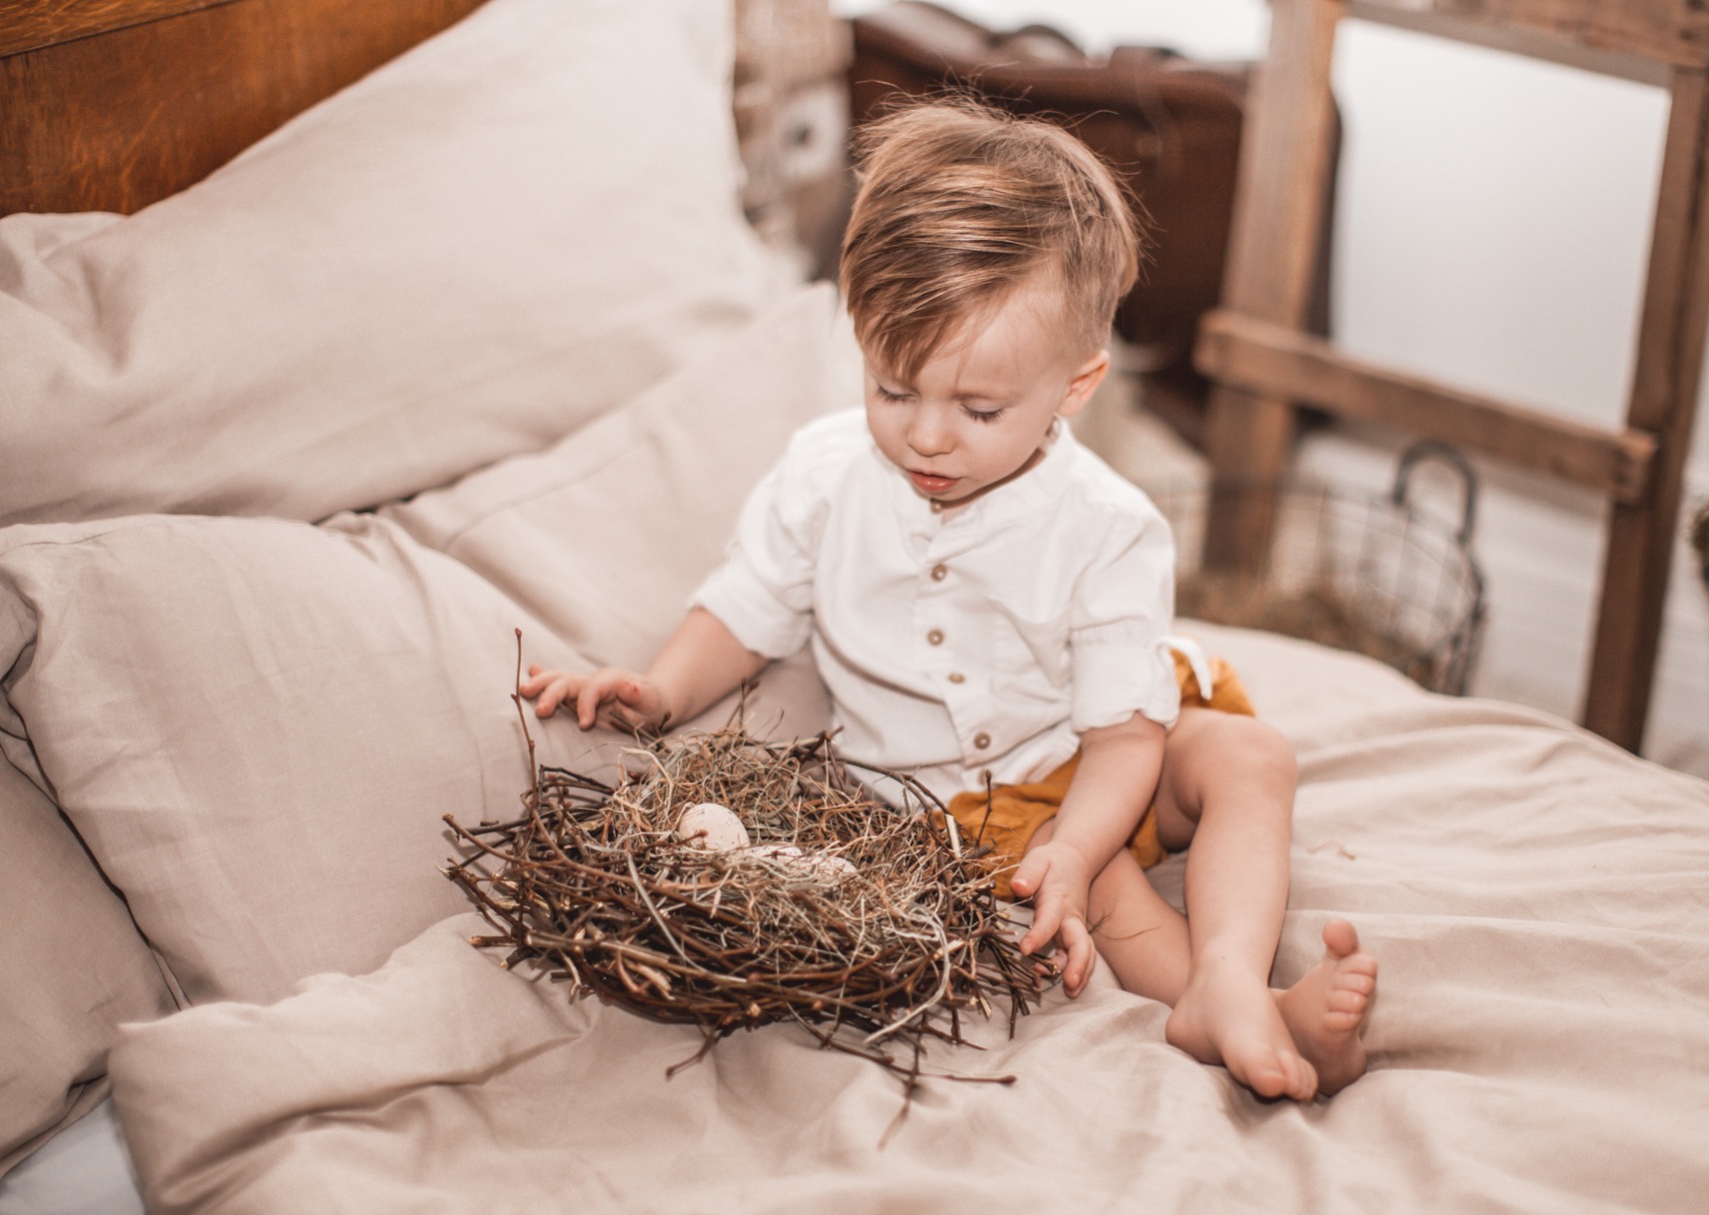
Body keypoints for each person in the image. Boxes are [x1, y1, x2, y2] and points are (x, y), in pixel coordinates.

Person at [520, 99, 1376, 1100]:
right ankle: (1228, 1009)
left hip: (1108, 753)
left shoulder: (1107, 524)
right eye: (893, 388)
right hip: (972, 804)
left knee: (1249, 755)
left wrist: (1082, 836)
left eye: (977, 408)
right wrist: (661, 690)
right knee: (1096, 888)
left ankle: (1230, 970)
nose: (926, 436)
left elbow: (1124, 737)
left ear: (1076, 385)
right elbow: (747, 607)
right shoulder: (824, 477)